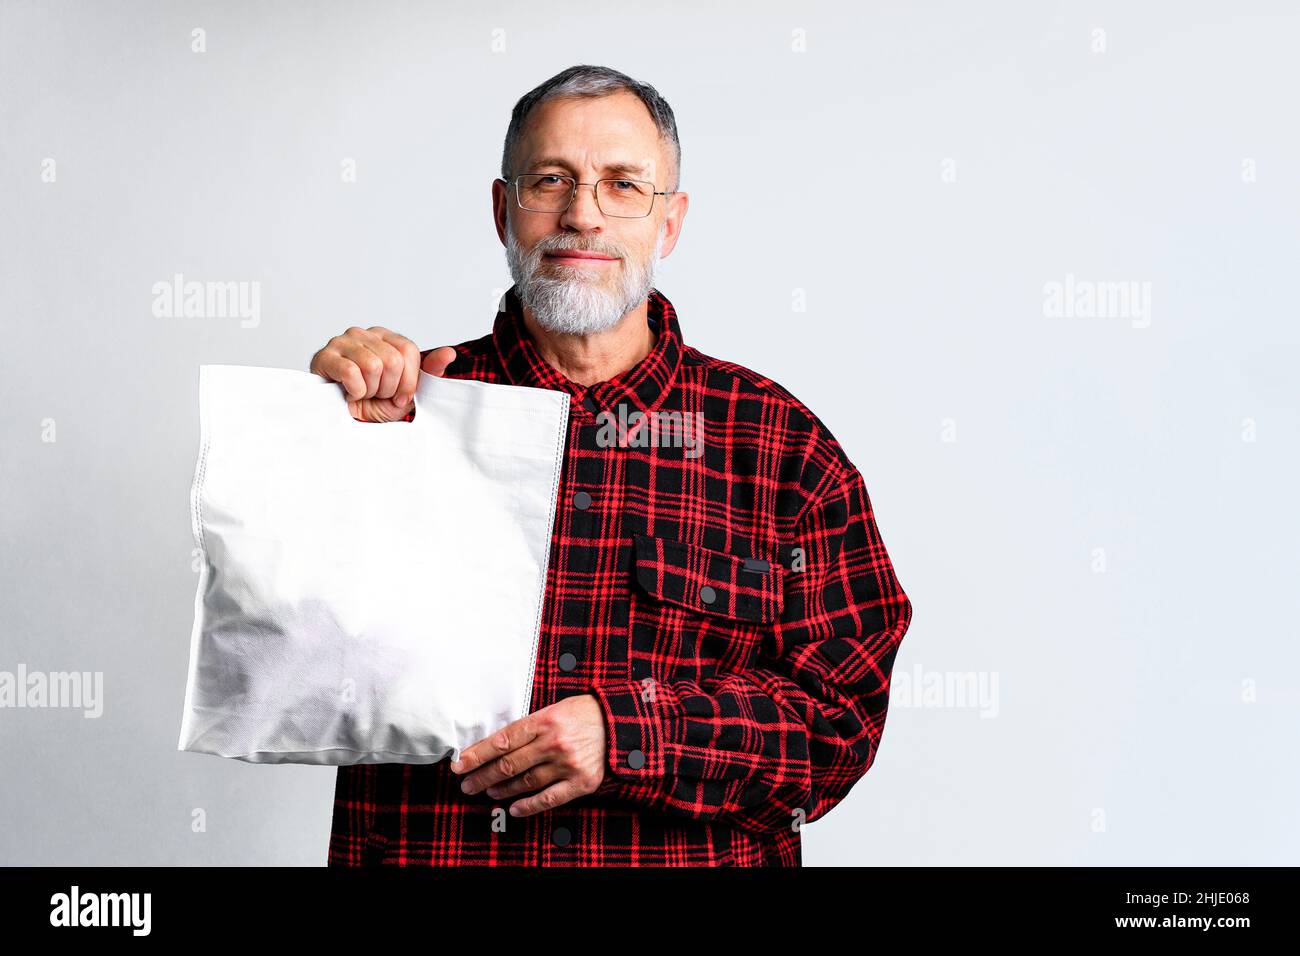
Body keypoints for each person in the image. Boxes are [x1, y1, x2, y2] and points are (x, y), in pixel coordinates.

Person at [309, 64, 913, 866]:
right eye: (550, 180)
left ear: (670, 223)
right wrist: (319, 443)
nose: (582, 214)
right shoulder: (403, 412)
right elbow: (281, 660)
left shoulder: (782, 447)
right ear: (502, 211)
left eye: (623, 185)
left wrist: (632, 737)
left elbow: (840, 724)